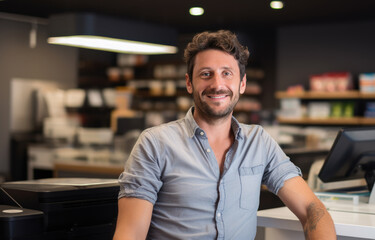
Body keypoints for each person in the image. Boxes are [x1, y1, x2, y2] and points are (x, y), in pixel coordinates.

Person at [113, 30, 336, 240]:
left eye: (226, 74)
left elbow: (312, 209)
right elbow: (130, 233)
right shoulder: (155, 143)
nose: (217, 84)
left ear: (242, 83)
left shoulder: (259, 142)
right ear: (189, 83)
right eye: (206, 74)